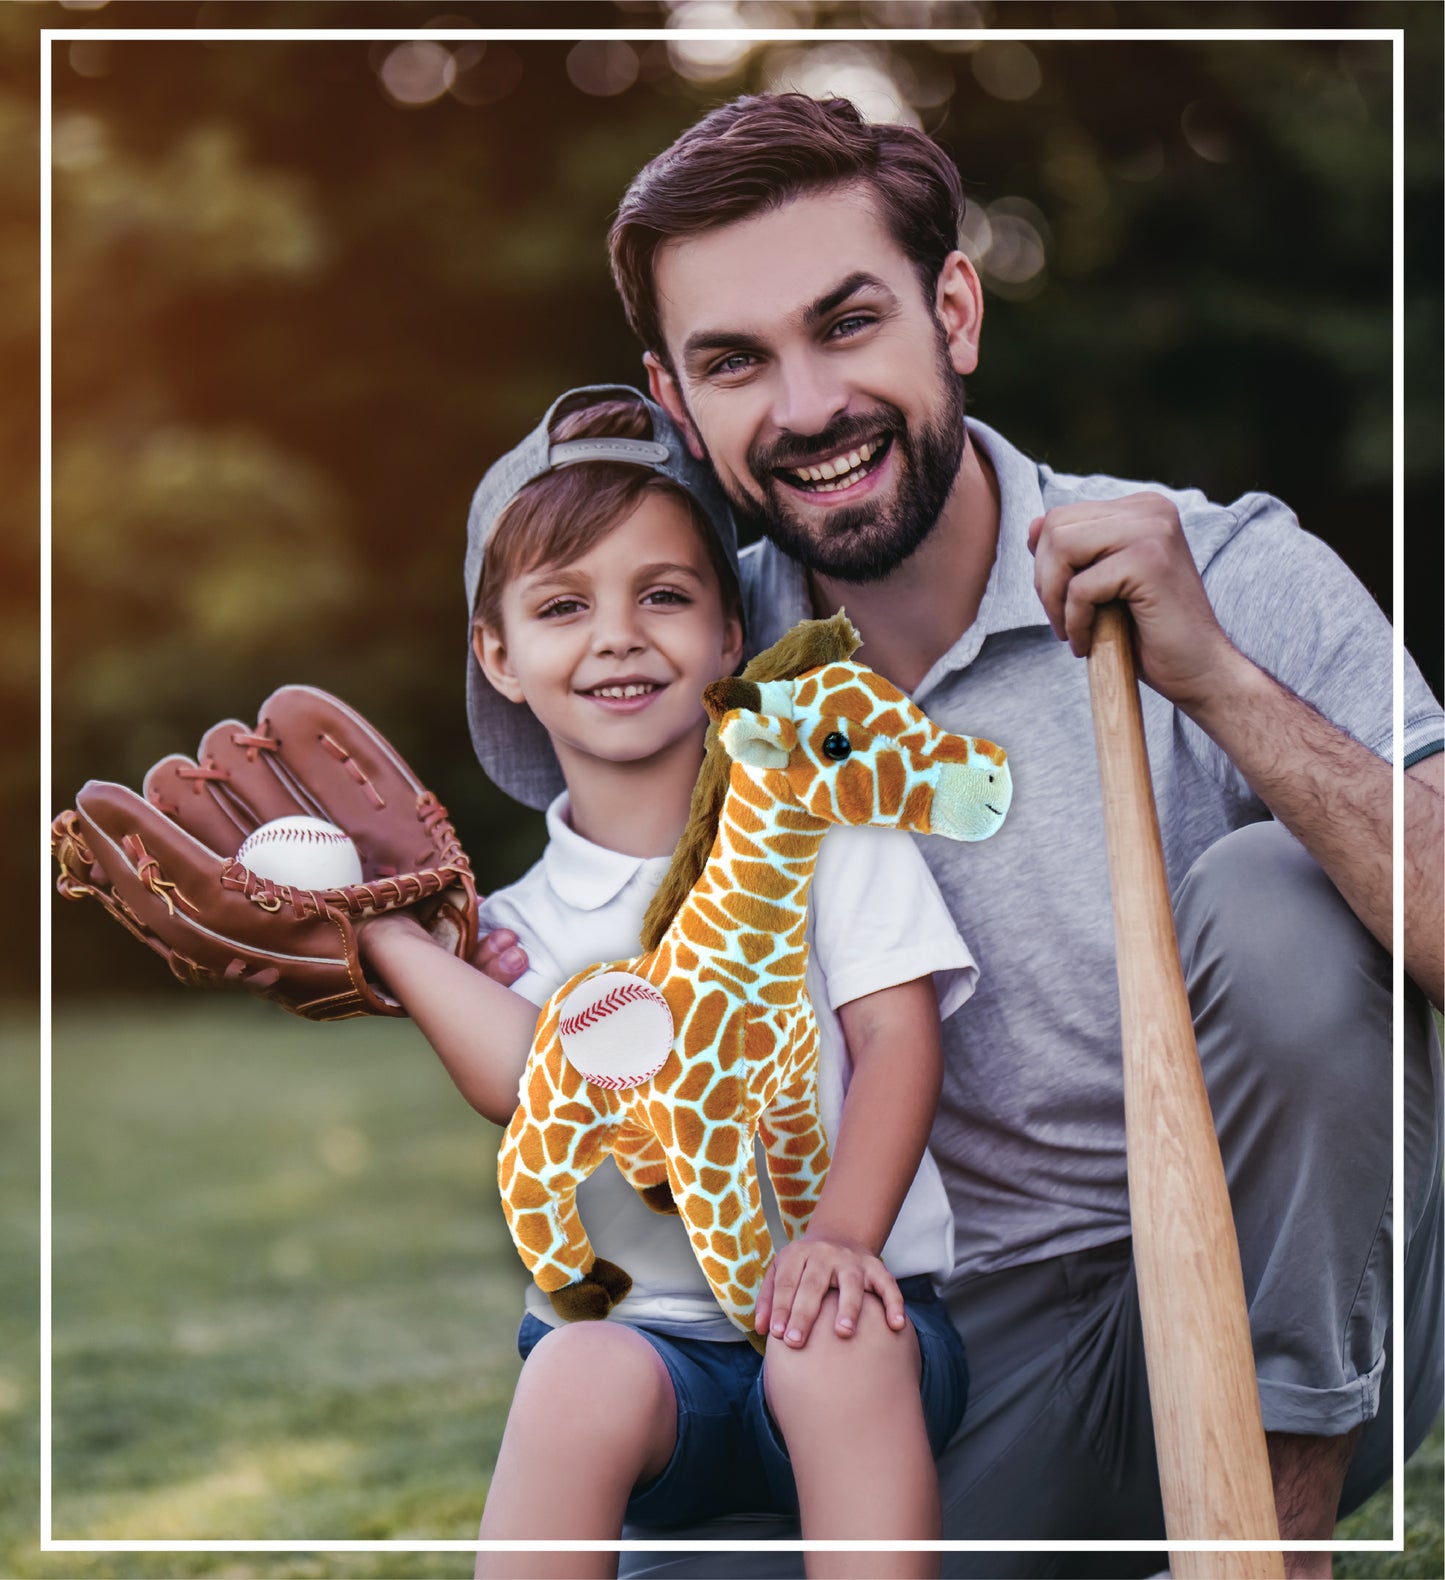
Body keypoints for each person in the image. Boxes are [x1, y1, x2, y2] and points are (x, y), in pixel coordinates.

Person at [479, 94, 1441, 1580]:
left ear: (954, 309)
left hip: (1283, 1299)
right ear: (676, 403)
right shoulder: (686, 650)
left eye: (846, 323)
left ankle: (1264, 1556)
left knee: (1277, 901)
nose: (803, 408)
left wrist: (1219, 682)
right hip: (929, 1344)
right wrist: (381, 934)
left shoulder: (1224, 566)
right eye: (736, 362)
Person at [360, 385, 985, 1580]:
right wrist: (391, 937)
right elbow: (524, 1078)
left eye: (663, 594)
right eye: (559, 605)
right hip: (658, 1366)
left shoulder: (814, 825)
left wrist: (841, 1237)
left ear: (727, 633)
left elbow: (898, 1040)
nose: (617, 635)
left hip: (861, 1320)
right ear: (496, 652)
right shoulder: (511, 927)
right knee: (575, 1366)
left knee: (832, 1334)